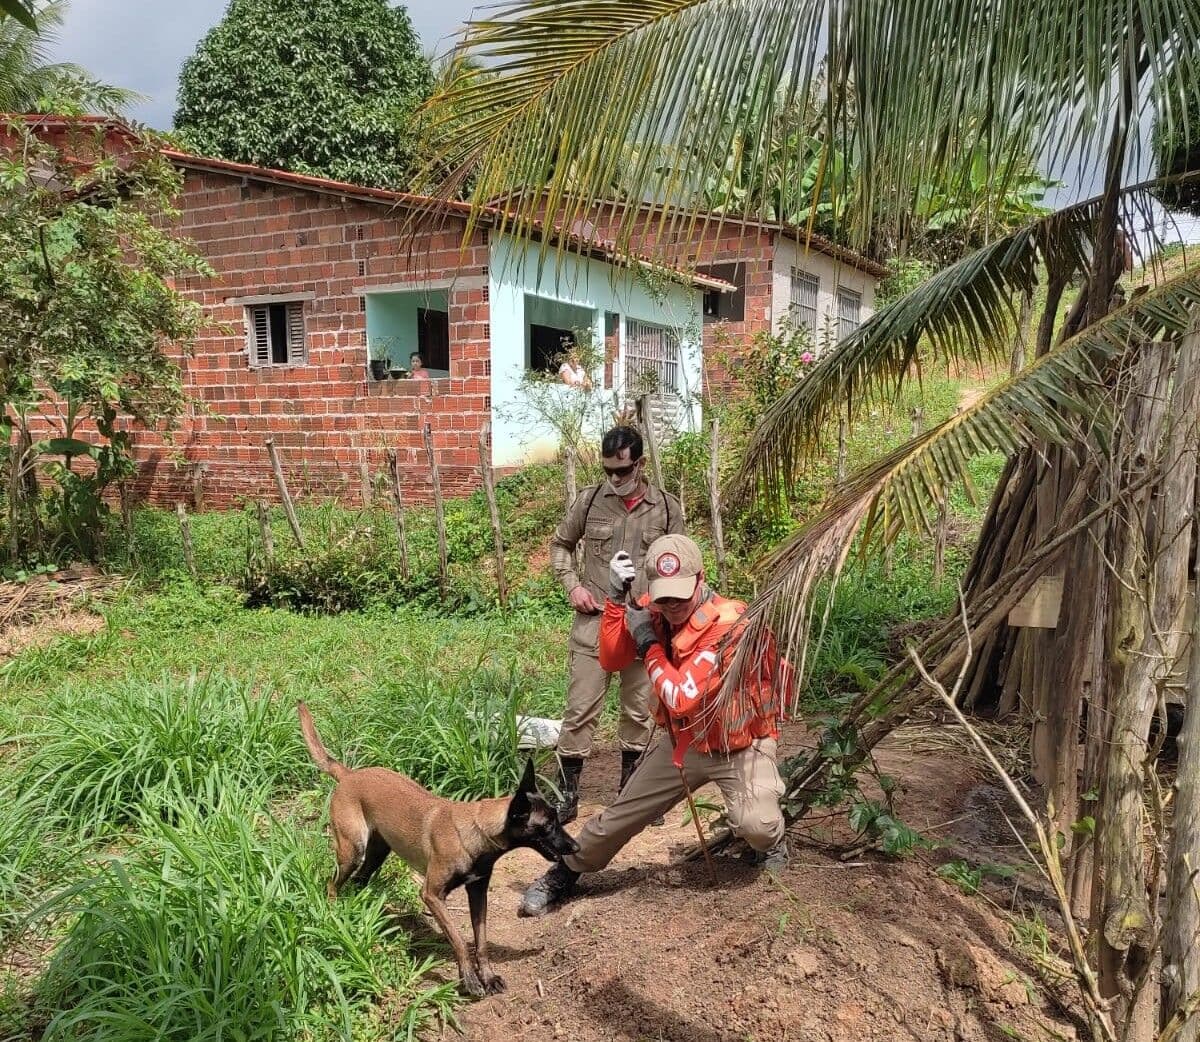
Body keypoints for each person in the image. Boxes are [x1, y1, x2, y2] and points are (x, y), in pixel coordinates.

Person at [520, 534, 791, 916]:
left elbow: (681, 696)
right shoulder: (654, 611)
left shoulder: (729, 623)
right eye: (663, 596)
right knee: (615, 820)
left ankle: (772, 845)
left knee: (758, 825)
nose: (673, 605)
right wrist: (615, 602)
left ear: (701, 579)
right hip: (685, 743)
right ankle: (565, 871)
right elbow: (612, 660)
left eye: (681, 594)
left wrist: (648, 645)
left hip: (742, 745)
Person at [549, 426, 684, 823]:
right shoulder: (590, 502)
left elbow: (679, 561)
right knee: (579, 710)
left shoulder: (666, 508)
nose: (614, 479)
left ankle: (630, 792)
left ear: (640, 464)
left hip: (644, 625)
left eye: (622, 471)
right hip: (594, 623)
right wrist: (572, 586)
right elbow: (560, 545)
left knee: (639, 711)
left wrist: (670, 615)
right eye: (608, 471)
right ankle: (566, 796)